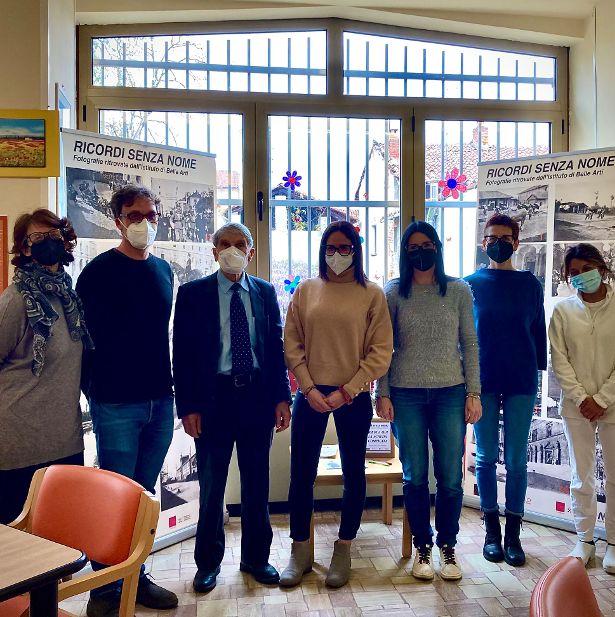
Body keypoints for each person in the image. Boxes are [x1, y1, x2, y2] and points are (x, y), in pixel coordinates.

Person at [76, 185, 178, 617]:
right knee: (113, 495)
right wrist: (94, 390)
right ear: (118, 221)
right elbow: (82, 339)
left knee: (142, 497)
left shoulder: (163, 270)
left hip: (160, 399)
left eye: (151, 215)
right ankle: (104, 589)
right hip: (116, 402)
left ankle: (136, 575)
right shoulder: (98, 272)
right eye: (135, 215)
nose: (144, 223)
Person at [173, 222, 292, 592]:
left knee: (257, 484)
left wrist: (282, 397)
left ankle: (256, 559)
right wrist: (187, 407)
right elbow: (182, 354)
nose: (232, 250)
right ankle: (208, 563)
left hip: (256, 398)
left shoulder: (265, 292)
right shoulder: (193, 294)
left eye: (240, 244)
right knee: (212, 487)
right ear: (214, 252)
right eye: (224, 244)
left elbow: (274, 348)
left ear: (251, 253)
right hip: (212, 401)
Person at [281, 221, 392, 588]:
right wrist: (309, 388)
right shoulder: (306, 290)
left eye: (345, 247)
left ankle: (344, 547)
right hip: (310, 394)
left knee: (353, 473)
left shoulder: (372, 294)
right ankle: (300, 548)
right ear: (322, 251)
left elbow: (381, 351)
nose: (337, 254)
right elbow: (292, 343)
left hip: (353, 396)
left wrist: (348, 390)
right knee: (301, 473)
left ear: (356, 251)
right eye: (331, 247)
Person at [375, 221, 482, 582]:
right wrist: (383, 392)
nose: (421, 252)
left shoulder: (458, 290)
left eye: (427, 245)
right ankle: (422, 545)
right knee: (414, 475)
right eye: (413, 247)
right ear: (405, 253)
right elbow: (384, 348)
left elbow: (470, 343)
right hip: (405, 394)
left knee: (450, 476)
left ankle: (448, 546)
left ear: (437, 247)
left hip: (450, 392)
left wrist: (473, 392)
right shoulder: (393, 293)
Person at [549, 243, 615, 575]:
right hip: (576, 408)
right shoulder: (562, 312)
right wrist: (581, 398)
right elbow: (560, 361)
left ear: (602, 269)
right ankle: (584, 539)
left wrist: (601, 400)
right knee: (581, 476)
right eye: (573, 272)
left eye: (586, 269)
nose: (581, 276)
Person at [0, 209, 92, 524]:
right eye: (37, 238)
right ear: (24, 248)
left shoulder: (69, 298)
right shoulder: (16, 301)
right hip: (21, 444)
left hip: (65, 439)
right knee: (20, 539)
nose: (48, 243)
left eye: (54, 235)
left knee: (63, 532)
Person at [465, 214, 546, 567]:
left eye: (504, 238)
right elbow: (464, 337)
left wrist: (538, 369)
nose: (497, 243)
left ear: (516, 242)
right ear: (484, 243)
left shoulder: (530, 285)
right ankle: (491, 533)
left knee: (515, 460)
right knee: (484, 457)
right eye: (491, 238)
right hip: (482, 380)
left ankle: (513, 535)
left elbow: (538, 331)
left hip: (520, 379)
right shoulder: (469, 284)